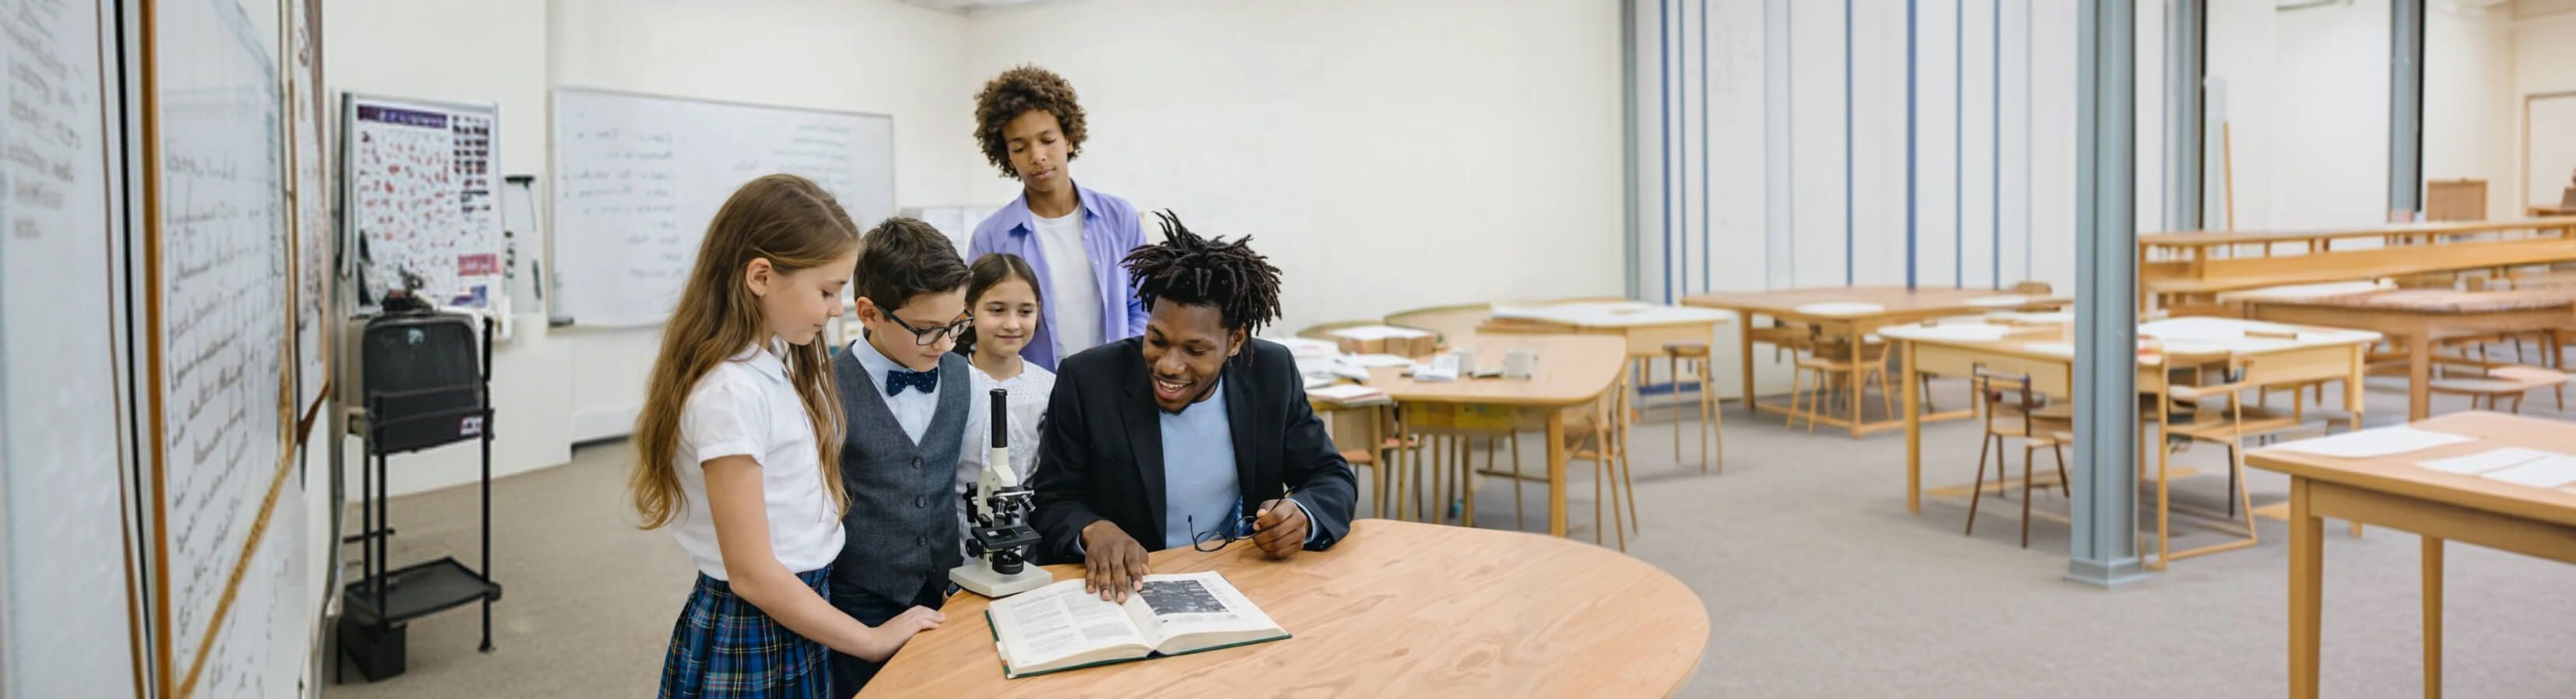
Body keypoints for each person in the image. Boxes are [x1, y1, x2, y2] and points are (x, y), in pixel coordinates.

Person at [630, 174, 942, 699]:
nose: (837, 307)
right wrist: (868, 641)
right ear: (760, 276)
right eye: (827, 290)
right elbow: (752, 573)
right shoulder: (729, 392)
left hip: (800, 610)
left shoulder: (774, 362)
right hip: (756, 618)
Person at [1029, 211, 1359, 602]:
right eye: (1157, 339)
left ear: (1235, 342)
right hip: (1126, 593)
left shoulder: (1271, 373)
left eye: (1195, 350)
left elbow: (1330, 475)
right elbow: (1052, 499)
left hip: (1243, 584)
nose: (1168, 365)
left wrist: (1303, 514)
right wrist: (1093, 529)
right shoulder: (1087, 380)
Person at [825, 216, 983, 691]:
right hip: (859, 602)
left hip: (944, 591)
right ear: (869, 313)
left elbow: (967, 487)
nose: (948, 342)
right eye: (927, 329)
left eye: (957, 324)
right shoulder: (824, 388)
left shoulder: (964, 377)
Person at [966, 65, 1147, 371]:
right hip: (1033, 395)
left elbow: (1141, 305)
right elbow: (979, 324)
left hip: (1114, 383)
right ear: (1006, 156)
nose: (1037, 156)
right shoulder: (991, 236)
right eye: (1019, 147)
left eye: (1047, 140)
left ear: (1069, 139)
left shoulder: (1119, 218)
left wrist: (1124, 366)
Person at [953, 252, 1055, 501]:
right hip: (954, 533)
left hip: (1029, 531)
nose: (1012, 324)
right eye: (997, 310)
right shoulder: (950, 380)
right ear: (968, 310)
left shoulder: (1048, 387)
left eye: (1025, 311)